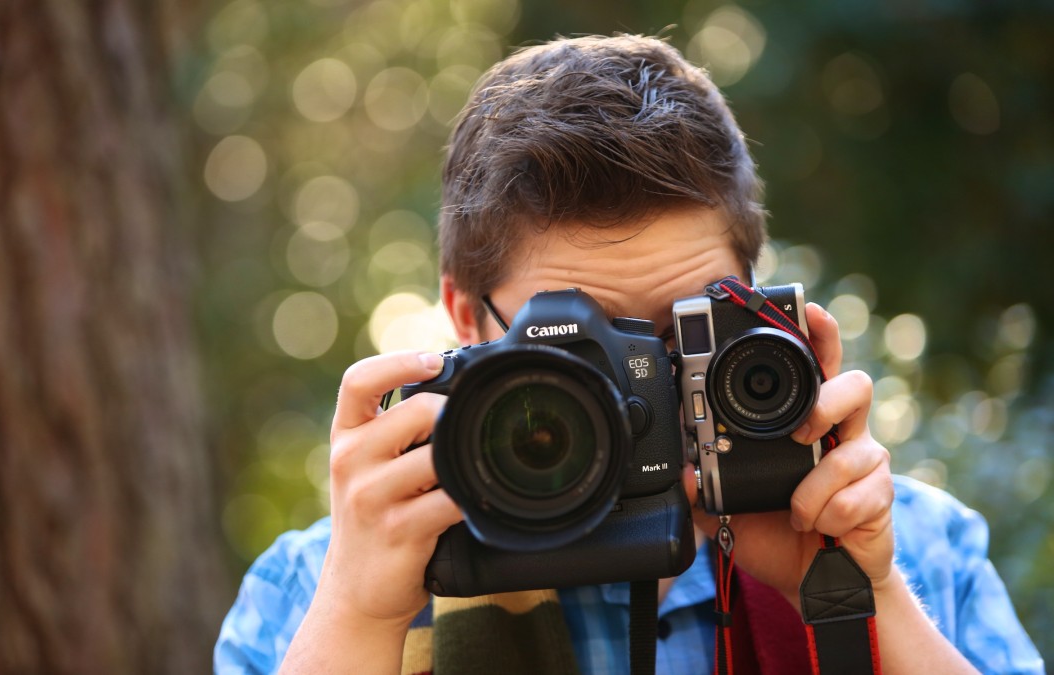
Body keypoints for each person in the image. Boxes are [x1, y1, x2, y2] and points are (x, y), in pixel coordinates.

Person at [214, 34, 1044, 674]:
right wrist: (360, 619)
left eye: (683, 329)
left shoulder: (913, 549)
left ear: (761, 299)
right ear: (468, 318)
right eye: (594, 340)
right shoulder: (322, 586)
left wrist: (859, 598)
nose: (646, 383)